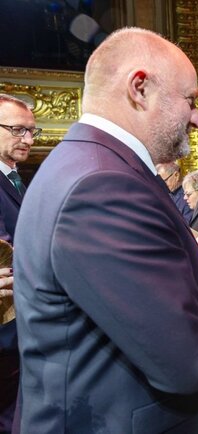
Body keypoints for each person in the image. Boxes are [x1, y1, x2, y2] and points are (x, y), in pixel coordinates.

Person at [12, 27, 198, 434]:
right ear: (140, 89)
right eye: (190, 101)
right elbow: (186, 361)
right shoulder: (103, 185)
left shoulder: (85, 164)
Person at [0, 93, 38, 434]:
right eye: (17, 129)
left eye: (31, 131)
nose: (27, 139)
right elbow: (5, 253)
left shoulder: (16, 180)